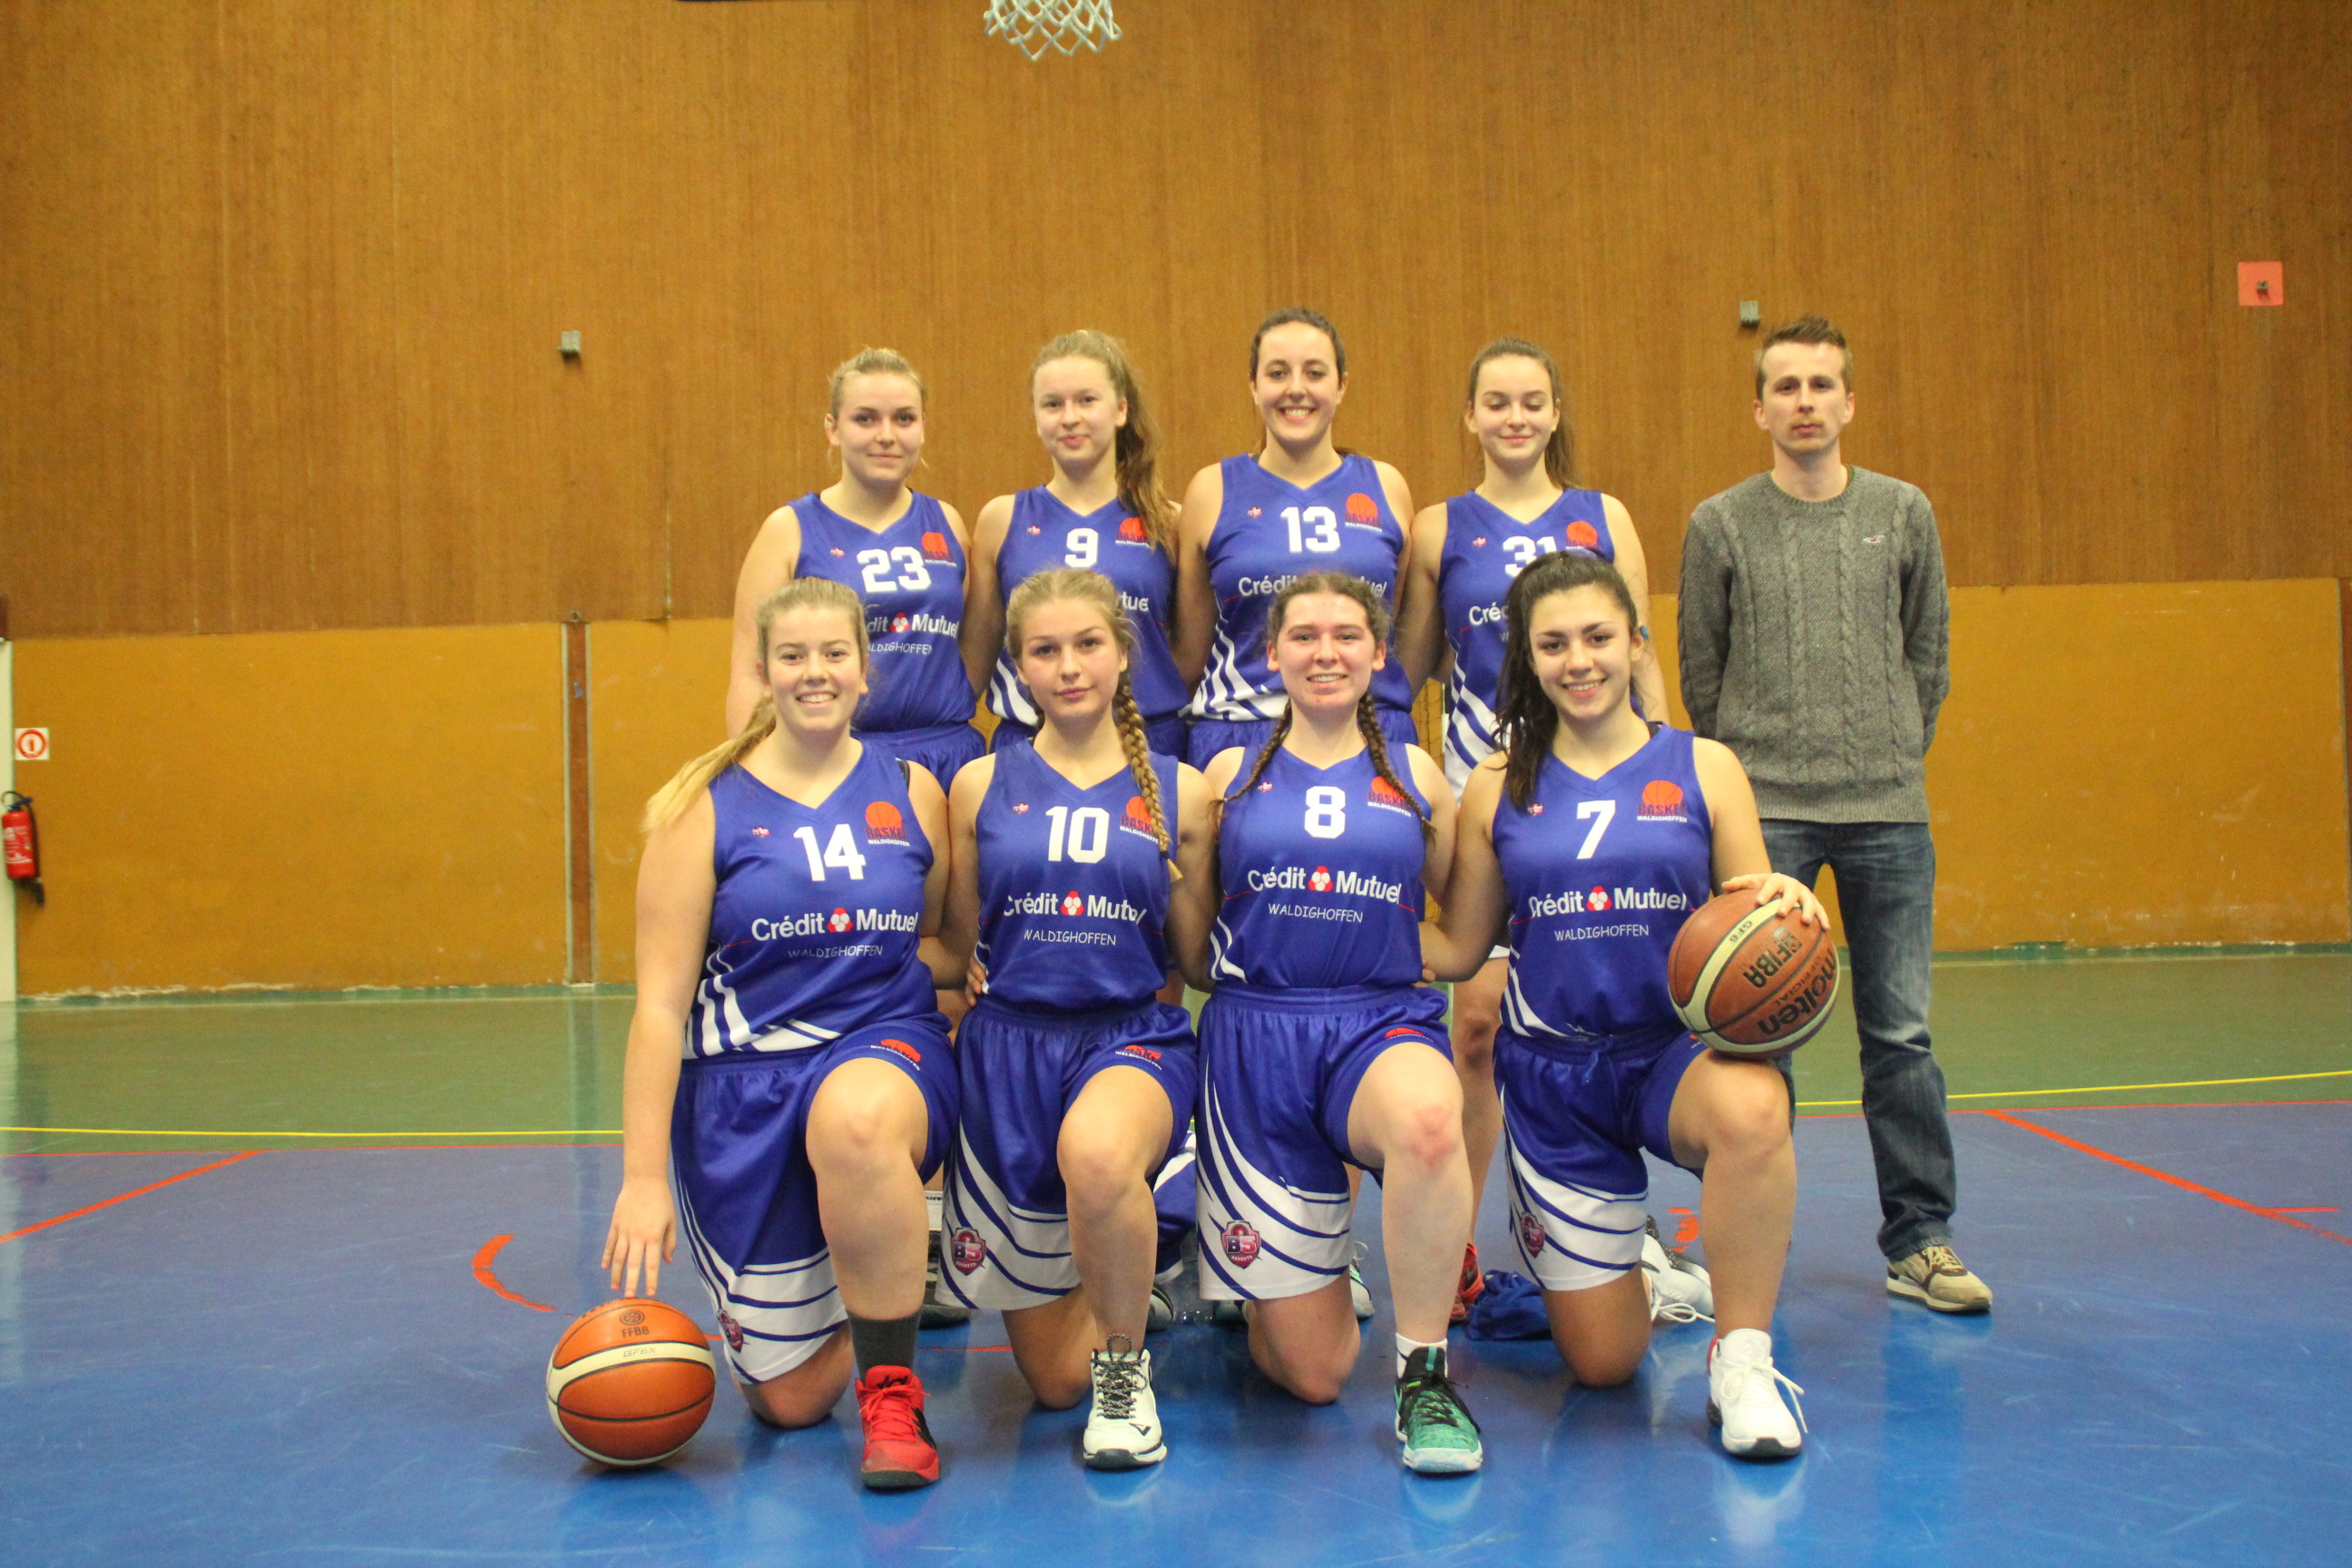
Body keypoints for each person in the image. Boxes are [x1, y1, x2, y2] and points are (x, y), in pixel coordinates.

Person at [1424, 550, 1818, 1460]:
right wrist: (1322, 934)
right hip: (1555, 1078)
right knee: (1603, 1366)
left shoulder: (1706, 768)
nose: (1580, 660)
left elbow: (1755, 901)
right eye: (1554, 644)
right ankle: (1637, 1267)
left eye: (1599, 636)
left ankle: (1743, 1360)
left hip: (1670, 1055)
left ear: (1636, 644)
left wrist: (1790, 907)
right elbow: (1459, 946)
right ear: (1529, 659)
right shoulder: (1497, 787)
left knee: (1757, 1106)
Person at [603, 576, 964, 1492]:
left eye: (834, 653)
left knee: (857, 1124)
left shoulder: (915, 792)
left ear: (864, 670)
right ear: (762, 673)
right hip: (742, 1092)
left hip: (882, 1049)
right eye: (793, 656)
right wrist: (642, 1176)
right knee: (792, 1399)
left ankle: (893, 1388)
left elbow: (940, 944)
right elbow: (657, 1006)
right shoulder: (700, 808)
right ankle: (867, 1265)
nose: (815, 673)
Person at [1677, 315, 1987, 1315]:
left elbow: (1927, 657)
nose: (1804, 402)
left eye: (1822, 386)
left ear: (1849, 403)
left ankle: (1921, 1240)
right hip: (1770, 821)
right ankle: (1752, 1236)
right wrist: (1756, 784)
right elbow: (1703, 676)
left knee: (1900, 1036)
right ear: (1758, 408)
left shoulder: (1904, 514)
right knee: (1753, 1035)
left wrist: (1888, 750)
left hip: (1888, 810)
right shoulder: (1720, 524)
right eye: (1786, 387)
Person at [1395, 337, 1673, 1323]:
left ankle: (1617, 1233)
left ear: (1557, 413)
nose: (1515, 418)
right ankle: (1462, 1247)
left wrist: (1664, 779)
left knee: (1612, 1009)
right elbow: (1410, 667)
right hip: (1498, 801)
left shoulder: (1604, 518)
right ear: (1468, 416)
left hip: (1601, 797)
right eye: (1496, 403)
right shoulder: (1438, 526)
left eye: (1533, 402)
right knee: (1474, 1027)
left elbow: (1642, 661)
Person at [1193, 571, 1481, 1476]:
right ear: (1270, 654)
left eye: (1347, 635)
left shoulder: (1417, 773)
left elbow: (1465, 936)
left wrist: (1382, 950)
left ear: (1381, 654)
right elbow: (1193, 939)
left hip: (1376, 1026)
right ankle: (1264, 1279)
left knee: (1433, 1122)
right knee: (1313, 1373)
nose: (1326, 652)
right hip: (1254, 1045)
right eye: (1305, 636)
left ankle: (1425, 1374)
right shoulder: (1227, 776)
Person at [936, 568, 1214, 1470]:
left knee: (1097, 1153)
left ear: (1123, 654)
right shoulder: (978, 785)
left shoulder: (1183, 789)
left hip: (1129, 1036)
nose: (1068, 666)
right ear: (1016, 666)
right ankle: (1156, 1236)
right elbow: (961, 935)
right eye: (1044, 650)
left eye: (1087, 644)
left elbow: (1195, 957)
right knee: (1053, 1380)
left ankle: (1127, 1377)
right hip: (1010, 1054)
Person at [1174, 309, 1421, 770]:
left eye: (1314, 373)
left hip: (1369, 725)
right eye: (1277, 373)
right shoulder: (1211, 490)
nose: (1296, 389)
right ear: (1252, 384)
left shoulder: (1387, 487)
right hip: (1239, 729)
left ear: (1342, 384)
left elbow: (1392, 627)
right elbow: (1191, 652)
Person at [727, 348, 985, 787]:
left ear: (923, 427)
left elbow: (970, 647)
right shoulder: (789, 530)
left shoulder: (948, 523)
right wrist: (754, 779)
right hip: (837, 759)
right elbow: (750, 676)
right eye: (865, 419)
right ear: (832, 429)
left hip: (949, 756)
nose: (886, 435)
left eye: (904, 418)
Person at [962, 332, 1188, 760]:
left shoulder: (1168, 521)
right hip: (1029, 741)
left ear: (1121, 409)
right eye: (1053, 404)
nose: (1069, 417)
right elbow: (975, 659)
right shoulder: (1001, 519)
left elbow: (1190, 654)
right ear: (1036, 416)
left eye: (1086, 401)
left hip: (1148, 740)